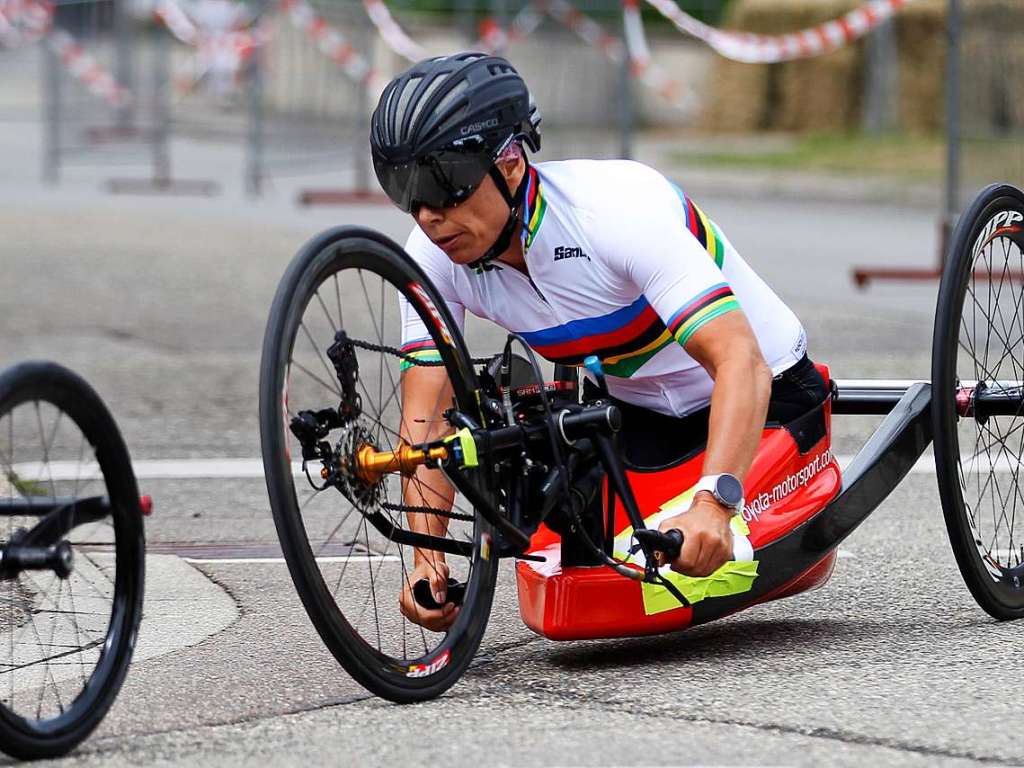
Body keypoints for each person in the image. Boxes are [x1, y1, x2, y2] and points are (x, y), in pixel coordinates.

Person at [369, 53, 828, 631]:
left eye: (444, 183)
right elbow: (427, 419)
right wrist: (425, 559)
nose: (430, 214)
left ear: (509, 163)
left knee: (683, 561)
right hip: (635, 421)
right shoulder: (432, 256)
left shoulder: (615, 211)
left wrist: (715, 502)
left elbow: (741, 359)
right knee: (582, 545)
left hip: (767, 397)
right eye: (404, 188)